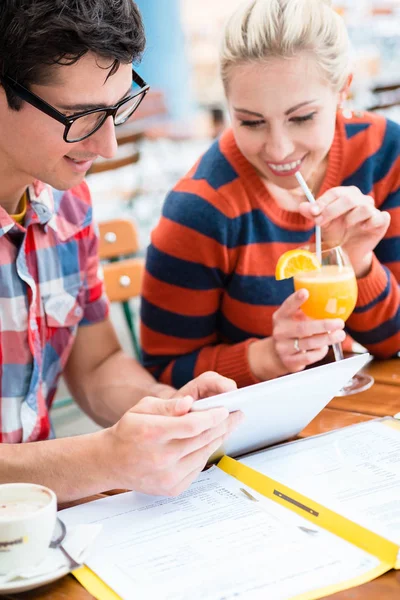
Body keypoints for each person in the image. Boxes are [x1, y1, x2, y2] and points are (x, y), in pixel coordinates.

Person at [0, 0, 243, 502]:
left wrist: (168, 411)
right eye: (83, 117)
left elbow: (97, 365)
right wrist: (104, 460)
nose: (108, 145)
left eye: (117, 108)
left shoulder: (68, 202)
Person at [141, 0, 400, 390]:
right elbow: (162, 373)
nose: (278, 150)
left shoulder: (385, 154)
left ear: (343, 90)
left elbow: (393, 343)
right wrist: (266, 358)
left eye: (301, 117)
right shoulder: (200, 208)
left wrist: (358, 261)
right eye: (251, 122)